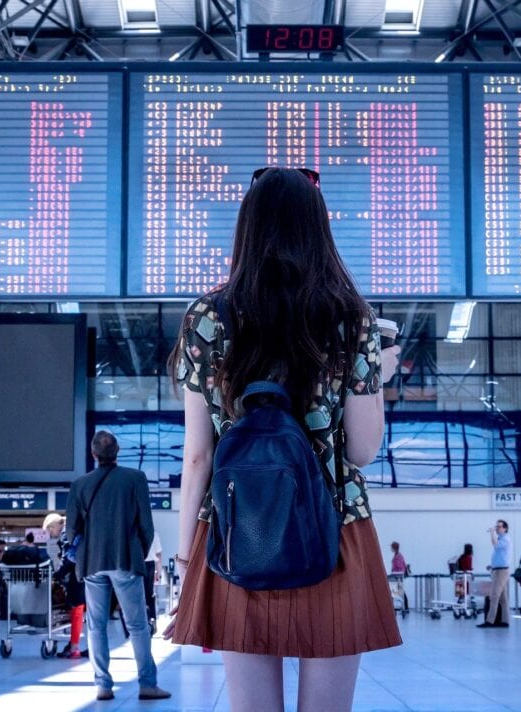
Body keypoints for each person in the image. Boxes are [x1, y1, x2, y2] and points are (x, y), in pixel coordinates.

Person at [165, 167, 402, 712]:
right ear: (318, 229)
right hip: (335, 530)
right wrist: (374, 379)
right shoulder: (351, 319)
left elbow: (198, 454)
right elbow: (363, 451)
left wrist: (184, 558)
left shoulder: (207, 317)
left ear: (246, 229)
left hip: (235, 530)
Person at [67, 430, 170, 702]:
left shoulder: (80, 484)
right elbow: (147, 526)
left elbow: (70, 531)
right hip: (125, 559)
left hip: (91, 563)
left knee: (96, 625)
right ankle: (147, 684)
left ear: (93, 453)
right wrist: (137, 551)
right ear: (118, 451)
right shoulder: (135, 479)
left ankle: (103, 685)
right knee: (137, 625)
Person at [43, 513, 85, 659]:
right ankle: (76, 645)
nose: (50, 534)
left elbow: (70, 558)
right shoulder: (75, 529)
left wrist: (58, 575)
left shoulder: (67, 533)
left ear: (53, 525)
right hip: (86, 573)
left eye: (49, 530)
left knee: (77, 611)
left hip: (77, 576)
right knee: (80, 612)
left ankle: (74, 648)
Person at [478, 520, 512, 629]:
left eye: (499, 527)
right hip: (498, 570)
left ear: (505, 528)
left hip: (501, 572)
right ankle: (505, 621)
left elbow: (495, 545)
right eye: (496, 526)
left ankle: (490, 621)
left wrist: (492, 533)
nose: (497, 528)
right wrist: (492, 565)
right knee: (503, 598)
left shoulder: (505, 539)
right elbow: (501, 556)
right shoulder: (502, 539)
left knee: (494, 595)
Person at [143, 531, 163, 634]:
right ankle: (152, 621)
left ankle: (141, 624)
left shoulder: (132, 529)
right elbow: (158, 554)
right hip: (149, 565)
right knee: (149, 594)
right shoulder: (154, 533)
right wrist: (158, 573)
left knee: (137, 595)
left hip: (136, 564)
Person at [390, 541, 409, 613]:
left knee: (400, 591)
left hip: (398, 576)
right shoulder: (396, 555)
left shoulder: (398, 556)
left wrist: (395, 573)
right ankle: (397, 606)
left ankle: (405, 607)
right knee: (396, 591)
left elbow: (401, 568)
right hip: (396, 576)